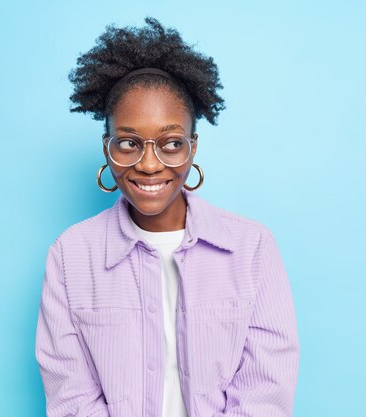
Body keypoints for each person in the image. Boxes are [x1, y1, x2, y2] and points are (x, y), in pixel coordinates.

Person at [35, 17, 299, 417]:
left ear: (192, 148)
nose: (149, 164)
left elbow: (266, 392)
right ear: (107, 148)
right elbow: (71, 399)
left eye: (171, 143)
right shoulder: (70, 257)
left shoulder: (253, 249)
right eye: (128, 143)